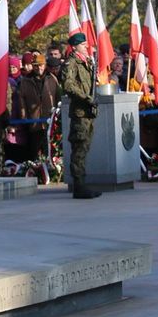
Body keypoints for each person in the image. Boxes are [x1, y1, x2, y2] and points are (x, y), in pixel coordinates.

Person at [59, 33, 101, 199]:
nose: (86, 46)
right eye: (83, 44)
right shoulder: (71, 63)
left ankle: (82, 184)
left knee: (84, 147)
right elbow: (68, 85)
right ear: (75, 46)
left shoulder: (86, 62)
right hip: (80, 112)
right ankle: (79, 185)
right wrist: (86, 97)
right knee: (79, 147)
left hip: (88, 111)